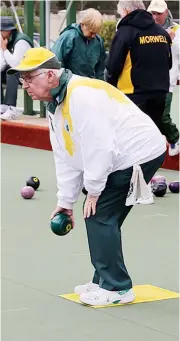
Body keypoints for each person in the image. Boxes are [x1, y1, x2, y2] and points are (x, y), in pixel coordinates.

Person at [8, 47, 166, 306]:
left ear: (50, 75)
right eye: (22, 79)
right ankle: (104, 279)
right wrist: (65, 201)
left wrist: (93, 189)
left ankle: (117, 288)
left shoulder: (81, 96)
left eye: (29, 78)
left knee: (100, 212)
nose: (24, 84)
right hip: (120, 156)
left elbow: (100, 147)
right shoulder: (55, 105)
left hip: (138, 153)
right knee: (102, 214)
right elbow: (66, 155)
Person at [105, 1, 172, 133]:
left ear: (126, 11)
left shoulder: (125, 32)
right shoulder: (162, 33)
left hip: (133, 95)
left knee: (133, 138)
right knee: (152, 136)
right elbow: (168, 63)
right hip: (159, 94)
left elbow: (112, 66)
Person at [148, 0, 179, 156]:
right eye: (152, 13)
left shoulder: (177, 31)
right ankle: (158, 143)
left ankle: (175, 137)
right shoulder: (147, 30)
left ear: (166, 12)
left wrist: (171, 40)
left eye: (158, 13)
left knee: (163, 115)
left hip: (167, 81)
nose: (155, 17)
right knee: (149, 116)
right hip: (148, 81)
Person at [51, 8, 106, 80]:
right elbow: (56, 64)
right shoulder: (68, 37)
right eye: (91, 32)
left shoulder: (98, 41)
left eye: (96, 33)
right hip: (70, 85)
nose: (93, 36)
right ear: (82, 25)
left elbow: (100, 69)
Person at [0, 16, 33, 120]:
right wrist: (3, 49)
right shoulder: (6, 40)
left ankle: (12, 108)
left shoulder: (20, 41)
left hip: (30, 74)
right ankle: (2, 106)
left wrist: (4, 48)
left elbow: (16, 65)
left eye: (0, 30)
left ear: (8, 30)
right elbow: (2, 65)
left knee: (11, 71)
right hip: (18, 73)